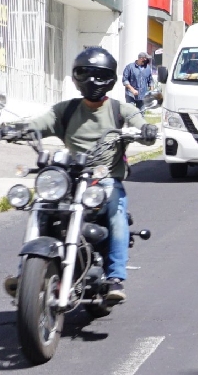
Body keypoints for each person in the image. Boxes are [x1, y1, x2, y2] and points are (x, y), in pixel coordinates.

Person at [25, 47, 146, 303]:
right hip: (70, 177)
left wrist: (145, 130)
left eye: (99, 75)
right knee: (41, 206)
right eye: (85, 74)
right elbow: (39, 124)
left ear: (111, 79)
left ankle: (115, 278)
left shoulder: (119, 110)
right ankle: (25, 274)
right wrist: (15, 129)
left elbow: (138, 121)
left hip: (105, 179)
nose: (92, 81)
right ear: (76, 77)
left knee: (116, 212)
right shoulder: (65, 110)